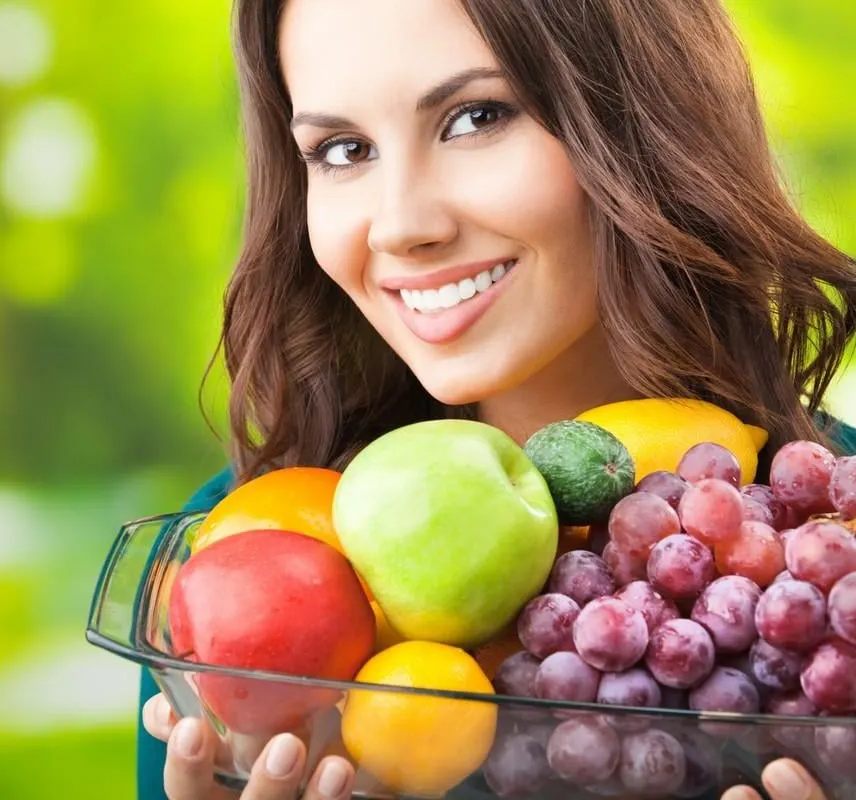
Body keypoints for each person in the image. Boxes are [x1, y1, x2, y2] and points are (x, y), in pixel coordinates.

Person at [137, 0, 856, 797]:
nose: (401, 224)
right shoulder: (236, 557)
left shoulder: (827, 547)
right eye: (343, 149)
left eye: (476, 116)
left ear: (640, 121)